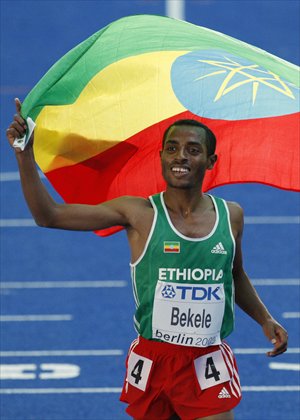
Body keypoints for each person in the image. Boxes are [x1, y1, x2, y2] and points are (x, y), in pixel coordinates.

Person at [7, 98, 288, 420]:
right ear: (161, 157)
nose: (180, 156)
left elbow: (234, 275)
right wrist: (24, 155)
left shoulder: (231, 215)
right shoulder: (139, 214)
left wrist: (265, 319)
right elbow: (49, 215)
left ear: (211, 161)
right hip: (153, 358)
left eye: (192, 150)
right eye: (172, 148)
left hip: (206, 359)